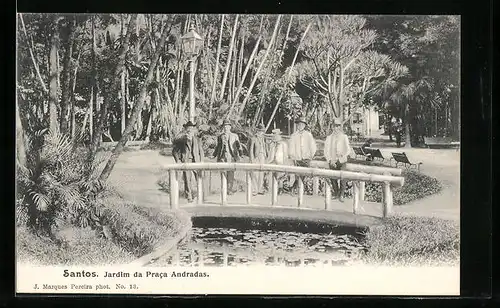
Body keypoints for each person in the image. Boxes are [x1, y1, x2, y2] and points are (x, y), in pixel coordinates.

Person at [171, 121, 205, 202]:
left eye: (191, 128)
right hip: (186, 161)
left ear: (193, 129)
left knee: (199, 178)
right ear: (185, 129)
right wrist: (178, 160)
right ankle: (189, 196)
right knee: (187, 179)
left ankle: (201, 195)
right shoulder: (182, 139)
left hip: (196, 161)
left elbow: (201, 150)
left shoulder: (197, 138)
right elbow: (174, 150)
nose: (190, 130)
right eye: (188, 128)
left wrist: (202, 160)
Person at [324, 118, 353, 202]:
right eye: (334, 126)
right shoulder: (329, 138)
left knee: (343, 176)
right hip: (332, 160)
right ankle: (336, 193)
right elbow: (326, 151)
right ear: (332, 127)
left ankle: (342, 195)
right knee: (332, 176)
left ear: (340, 127)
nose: (336, 128)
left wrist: (342, 157)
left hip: (341, 160)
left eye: (337, 126)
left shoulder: (344, 137)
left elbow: (348, 150)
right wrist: (329, 160)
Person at [213, 119, 243, 194]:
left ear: (230, 127)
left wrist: (240, 154)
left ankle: (229, 189)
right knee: (223, 172)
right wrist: (214, 155)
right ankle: (224, 189)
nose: (226, 128)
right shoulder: (220, 136)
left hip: (231, 156)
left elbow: (239, 146)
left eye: (227, 126)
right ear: (223, 127)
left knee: (231, 173)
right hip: (222, 156)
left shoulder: (234, 136)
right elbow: (218, 147)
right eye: (225, 126)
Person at [288, 116, 317, 191]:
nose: (300, 126)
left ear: (304, 126)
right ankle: (295, 188)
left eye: (302, 124)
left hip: (306, 158)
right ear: (297, 125)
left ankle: (295, 188)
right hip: (297, 158)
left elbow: (313, 147)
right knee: (297, 174)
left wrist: (311, 156)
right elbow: (291, 148)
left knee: (303, 174)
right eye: (299, 124)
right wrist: (293, 156)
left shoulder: (308, 135)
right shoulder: (294, 136)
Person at [267, 128, 289, 194]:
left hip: (280, 162)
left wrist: (285, 163)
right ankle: (271, 189)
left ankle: (280, 189)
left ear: (279, 135)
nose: (274, 136)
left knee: (280, 176)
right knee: (272, 176)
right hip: (272, 161)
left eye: (275, 134)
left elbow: (285, 155)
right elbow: (270, 153)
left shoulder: (283, 144)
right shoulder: (272, 144)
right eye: (273, 134)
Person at [248, 123, 267, 195]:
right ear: (257, 131)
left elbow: (265, 148)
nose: (261, 132)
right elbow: (250, 149)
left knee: (261, 173)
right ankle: (254, 189)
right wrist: (252, 159)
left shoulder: (263, 138)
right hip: (256, 156)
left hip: (262, 156)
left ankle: (260, 189)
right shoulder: (253, 138)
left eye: (262, 131)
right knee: (255, 173)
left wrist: (266, 156)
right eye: (259, 131)